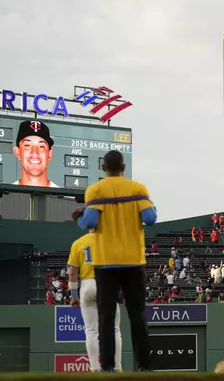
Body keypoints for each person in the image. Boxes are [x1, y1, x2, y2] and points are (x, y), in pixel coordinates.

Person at [77, 150, 157, 372]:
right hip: (133, 261)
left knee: (106, 318)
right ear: (123, 168)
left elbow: (90, 221)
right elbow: (150, 219)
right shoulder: (138, 189)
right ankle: (144, 367)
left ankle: (109, 368)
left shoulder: (95, 190)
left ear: (103, 168)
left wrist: (80, 219)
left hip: (105, 263)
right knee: (137, 315)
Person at [67, 226, 123, 373]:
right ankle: (117, 367)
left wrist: (74, 297)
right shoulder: (110, 241)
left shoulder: (78, 243)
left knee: (91, 331)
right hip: (106, 283)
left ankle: (94, 368)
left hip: (87, 285)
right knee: (114, 329)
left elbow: (72, 273)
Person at [12, 120, 58, 187]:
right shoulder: (4, 196)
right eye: (27, 145)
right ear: (17, 152)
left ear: (50, 154)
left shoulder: (63, 197)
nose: (34, 153)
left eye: (41, 146)